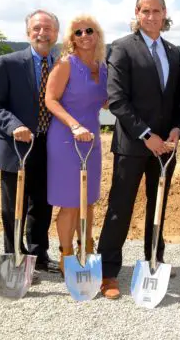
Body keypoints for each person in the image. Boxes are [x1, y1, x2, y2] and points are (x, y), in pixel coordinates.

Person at [97, 0, 180, 299]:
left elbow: (177, 100)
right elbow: (117, 100)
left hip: (166, 147)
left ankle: (154, 260)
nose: (150, 16)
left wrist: (176, 130)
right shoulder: (121, 49)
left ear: (164, 13)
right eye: (144, 11)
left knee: (158, 204)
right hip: (134, 145)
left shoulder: (174, 52)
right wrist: (147, 136)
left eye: (156, 10)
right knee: (120, 208)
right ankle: (108, 272)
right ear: (137, 13)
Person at [0, 9, 61, 278]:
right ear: (28, 32)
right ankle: (15, 257)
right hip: (16, 146)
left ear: (56, 33)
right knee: (13, 207)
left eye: (48, 28)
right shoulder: (8, 62)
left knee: (42, 204)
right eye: (37, 28)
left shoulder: (61, 64)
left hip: (48, 145)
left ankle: (38, 256)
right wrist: (14, 125)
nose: (42, 33)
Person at [44, 14, 108, 276]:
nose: (84, 36)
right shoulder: (65, 64)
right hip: (65, 138)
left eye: (89, 30)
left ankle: (87, 249)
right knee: (70, 202)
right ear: (71, 38)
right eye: (77, 32)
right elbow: (51, 99)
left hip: (91, 139)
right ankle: (66, 255)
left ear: (98, 35)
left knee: (89, 200)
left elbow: (104, 101)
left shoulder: (102, 66)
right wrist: (74, 125)